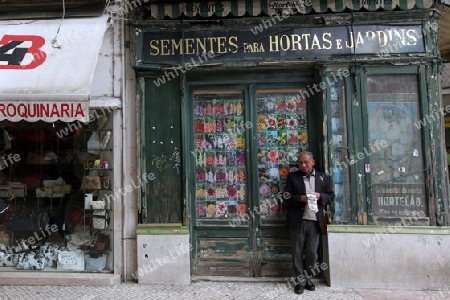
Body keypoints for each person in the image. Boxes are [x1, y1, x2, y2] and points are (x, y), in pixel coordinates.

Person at [284, 151, 335, 294]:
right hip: (298, 220)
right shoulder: (293, 177)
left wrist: (320, 196)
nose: (303, 165)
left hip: (315, 221)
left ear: (313, 162)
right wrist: (300, 198)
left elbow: (331, 196)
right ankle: (300, 281)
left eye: (306, 162)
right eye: (300, 163)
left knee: (312, 253)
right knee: (297, 252)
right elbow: (285, 196)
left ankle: (308, 278)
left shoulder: (322, 177)